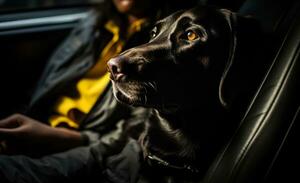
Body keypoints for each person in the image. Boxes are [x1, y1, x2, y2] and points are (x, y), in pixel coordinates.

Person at [0, 0, 196, 157]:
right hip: (36, 122)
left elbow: (136, 134)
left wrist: (70, 139)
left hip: (82, 147)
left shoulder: (163, 51)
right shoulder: (94, 23)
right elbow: (47, 82)